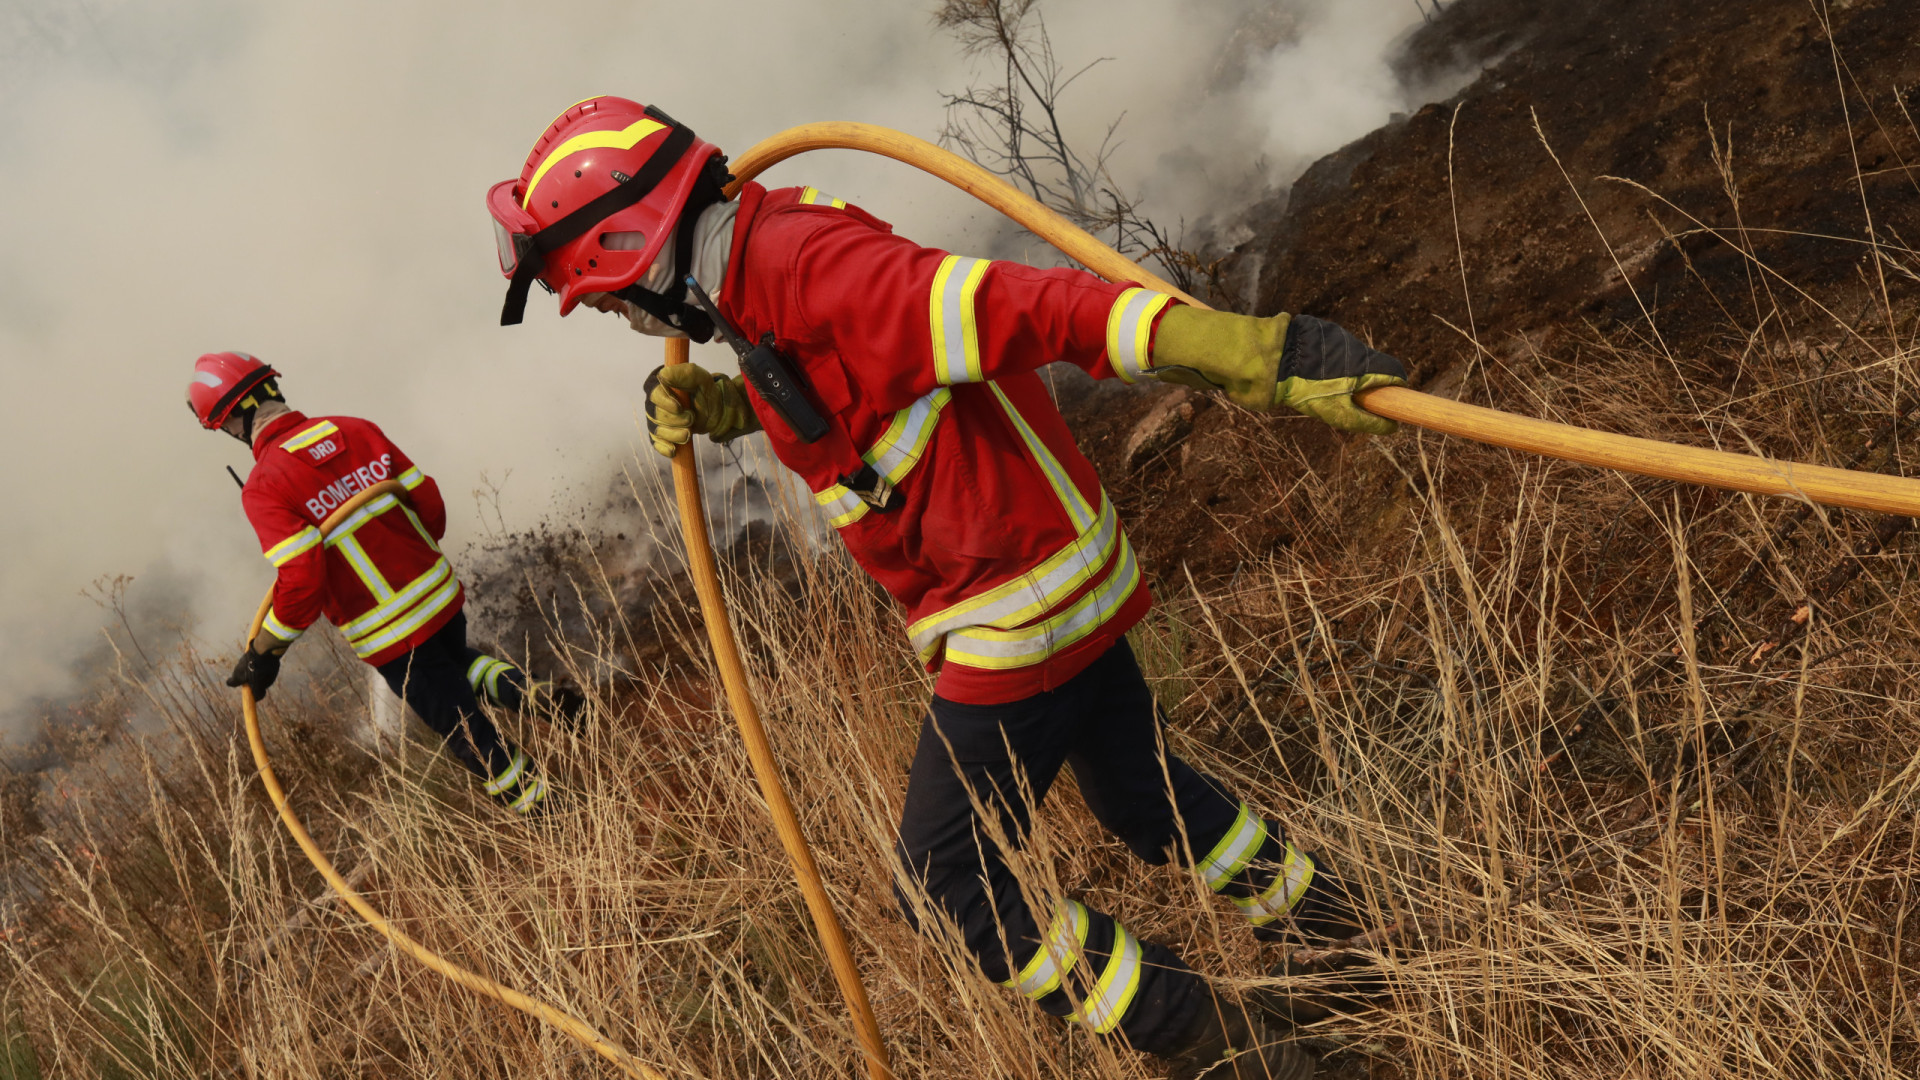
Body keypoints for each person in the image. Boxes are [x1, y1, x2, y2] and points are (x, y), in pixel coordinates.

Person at [488, 97, 1407, 1077]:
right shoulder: (762, 265)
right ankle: (1340, 934)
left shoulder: (807, 266)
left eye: (607, 299)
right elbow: (856, 378)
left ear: (635, 248)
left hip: (1017, 603)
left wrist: (1251, 356)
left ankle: (1230, 1050)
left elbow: (1031, 308)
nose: (621, 322)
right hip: (1055, 571)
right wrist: (730, 405)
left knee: (946, 881)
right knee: (1141, 796)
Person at [189, 351, 572, 816]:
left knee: (465, 729)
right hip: (442, 599)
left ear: (231, 422)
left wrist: (265, 651)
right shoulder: (355, 429)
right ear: (273, 388)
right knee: (454, 665)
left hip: (391, 634)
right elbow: (428, 503)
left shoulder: (265, 485)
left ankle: (550, 814)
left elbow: (302, 581)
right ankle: (525, 693)